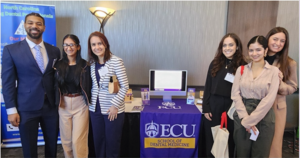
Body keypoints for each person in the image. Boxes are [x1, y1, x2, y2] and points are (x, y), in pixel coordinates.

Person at [1, 12, 60, 158]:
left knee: (52, 146)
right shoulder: (11, 50)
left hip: (51, 106)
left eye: (39, 24)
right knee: (29, 149)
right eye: (30, 23)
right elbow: (7, 82)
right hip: (25, 108)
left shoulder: (54, 50)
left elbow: (57, 78)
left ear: (44, 28)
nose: (34, 26)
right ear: (25, 26)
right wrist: (11, 110)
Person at [231, 36, 280, 158]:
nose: (254, 53)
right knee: (242, 153)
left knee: (261, 153)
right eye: (251, 50)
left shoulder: (274, 71)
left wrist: (250, 121)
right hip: (242, 113)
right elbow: (235, 94)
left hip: (264, 116)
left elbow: (269, 99)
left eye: (258, 50)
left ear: (265, 51)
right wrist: (245, 119)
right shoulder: (241, 70)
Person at [201, 33, 246, 158]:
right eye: (224, 45)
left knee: (229, 140)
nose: (227, 48)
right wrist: (206, 108)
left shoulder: (243, 65)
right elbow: (208, 86)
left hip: (232, 107)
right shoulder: (215, 63)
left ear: (237, 46)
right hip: (214, 106)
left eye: (231, 45)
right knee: (212, 139)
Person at [88, 31, 129, 158]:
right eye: (93, 44)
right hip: (95, 109)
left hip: (112, 109)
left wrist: (115, 105)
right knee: (98, 142)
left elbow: (125, 86)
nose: (97, 47)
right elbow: (95, 86)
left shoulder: (116, 61)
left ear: (105, 44)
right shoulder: (92, 63)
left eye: (100, 43)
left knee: (112, 143)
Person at [54, 34, 91, 158]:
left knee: (78, 141)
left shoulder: (85, 65)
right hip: (63, 103)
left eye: (71, 44)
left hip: (80, 103)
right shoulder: (57, 65)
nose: (68, 47)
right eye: (65, 44)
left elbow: (90, 85)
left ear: (78, 47)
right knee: (66, 141)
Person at [265, 27, 298, 158]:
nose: (278, 43)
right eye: (275, 39)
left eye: (282, 41)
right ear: (268, 39)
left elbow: (292, 87)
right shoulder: (256, 57)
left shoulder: (290, 63)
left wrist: (280, 83)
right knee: (256, 140)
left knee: (274, 143)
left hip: (276, 108)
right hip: (256, 105)